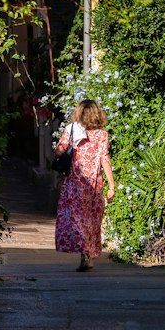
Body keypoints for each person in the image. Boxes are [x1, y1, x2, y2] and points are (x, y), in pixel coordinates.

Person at [53, 100, 114, 271]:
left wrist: (60, 148)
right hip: (94, 184)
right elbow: (105, 159)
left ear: (79, 113)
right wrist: (112, 186)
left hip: (75, 183)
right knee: (91, 219)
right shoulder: (102, 135)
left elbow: (59, 150)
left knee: (76, 219)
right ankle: (89, 255)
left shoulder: (72, 129)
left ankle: (84, 253)